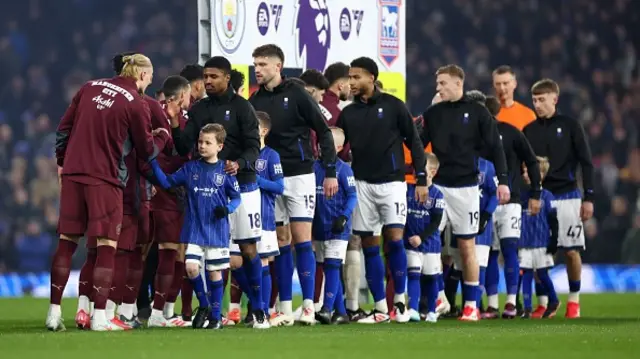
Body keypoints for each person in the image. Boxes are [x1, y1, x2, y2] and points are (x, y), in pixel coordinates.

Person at [51, 53, 176, 331]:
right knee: (108, 247)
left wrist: (64, 161)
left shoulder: (89, 86)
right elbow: (146, 152)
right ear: (143, 75)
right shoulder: (135, 102)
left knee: (67, 243)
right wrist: (163, 135)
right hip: (106, 179)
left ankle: (54, 313)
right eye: (150, 79)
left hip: (73, 173)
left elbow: (63, 129)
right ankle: (99, 317)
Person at [170, 56, 268, 325]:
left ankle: (257, 308)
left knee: (247, 250)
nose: (208, 81)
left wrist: (240, 163)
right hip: (207, 191)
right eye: (206, 77)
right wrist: (176, 122)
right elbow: (183, 147)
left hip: (243, 185)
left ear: (227, 77)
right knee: (211, 257)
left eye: (214, 76)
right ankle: (211, 309)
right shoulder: (200, 109)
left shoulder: (242, 107)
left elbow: (253, 146)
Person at [249, 44, 338, 326]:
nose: (257, 69)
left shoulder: (297, 94)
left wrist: (331, 172)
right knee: (280, 242)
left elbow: (323, 131)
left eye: (262, 64)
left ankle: (309, 306)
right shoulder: (255, 99)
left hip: (300, 175)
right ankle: (285, 308)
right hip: (270, 178)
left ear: (279, 66)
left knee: (302, 238)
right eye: (255, 64)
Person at [336, 56, 427, 324]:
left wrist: (421, 178)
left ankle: (399, 301)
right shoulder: (348, 113)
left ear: (371, 79)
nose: (350, 82)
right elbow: (339, 146)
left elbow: (415, 143)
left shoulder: (394, 107)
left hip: (393, 183)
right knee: (369, 244)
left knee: (395, 239)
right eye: (349, 77)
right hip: (362, 183)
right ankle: (379, 309)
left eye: (356, 77)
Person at [420, 64, 510, 322]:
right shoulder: (433, 113)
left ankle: (471, 305)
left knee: (466, 246)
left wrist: (503, 180)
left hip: (467, 189)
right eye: (437, 84)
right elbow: (417, 143)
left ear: (458, 83)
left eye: (442, 83)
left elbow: (496, 148)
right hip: (438, 187)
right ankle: (438, 296)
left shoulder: (478, 113)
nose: (438, 88)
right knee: (430, 242)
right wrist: (420, 176)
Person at [151, 123, 241, 330]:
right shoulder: (190, 168)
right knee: (191, 268)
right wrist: (153, 164)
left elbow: (236, 198)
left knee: (214, 274)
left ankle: (216, 317)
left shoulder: (226, 170)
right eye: (200, 142)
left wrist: (227, 209)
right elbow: (167, 183)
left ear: (219, 146)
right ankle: (204, 305)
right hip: (194, 230)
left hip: (216, 231)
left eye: (207, 142)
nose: (202, 146)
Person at [523, 79, 594, 319]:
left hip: (567, 195)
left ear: (555, 99)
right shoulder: (529, 130)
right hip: (540, 198)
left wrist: (588, 198)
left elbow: (586, 162)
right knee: (537, 253)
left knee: (571, 251)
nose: (537, 104)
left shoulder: (571, 126)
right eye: (534, 100)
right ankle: (543, 303)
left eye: (542, 99)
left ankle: (574, 300)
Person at [470, 91, 542, 319]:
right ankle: (497, 304)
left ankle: (508, 302)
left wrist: (536, 192)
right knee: (493, 252)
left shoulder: (510, 133)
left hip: (510, 201)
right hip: (487, 202)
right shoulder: (474, 137)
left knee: (503, 250)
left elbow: (531, 160)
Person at [146, 75, 194, 328]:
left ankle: (166, 311)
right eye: (188, 96)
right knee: (168, 251)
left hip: (174, 194)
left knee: (176, 253)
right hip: (165, 193)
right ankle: (156, 313)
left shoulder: (182, 120)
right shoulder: (158, 120)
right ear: (181, 96)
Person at [311, 127, 357, 325]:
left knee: (332, 265)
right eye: (321, 144)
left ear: (338, 148)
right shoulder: (313, 167)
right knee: (330, 268)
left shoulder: (344, 169)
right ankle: (341, 312)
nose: (322, 148)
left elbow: (353, 196)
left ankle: (327, 309)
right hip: (320, 227)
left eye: (328, 144)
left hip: (338, 227)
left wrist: (344, 218)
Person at [404, 153, 444, 323]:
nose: (416, 172)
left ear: (433, 172)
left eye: (422, 169)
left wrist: (421, 237)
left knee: (430, 277)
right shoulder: (408, 189)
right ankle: (413, 309)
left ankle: (432, 312)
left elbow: (436, 222)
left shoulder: (437, 194)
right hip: (411, 244)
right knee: (413, 274)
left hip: (430, 244)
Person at [520, 156, 560, 319]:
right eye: (524, 172)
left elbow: (553, 220)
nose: (525, 175)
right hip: (525, 242)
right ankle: (527, 308)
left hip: (542, 242)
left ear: (541, 175)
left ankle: (554, 300)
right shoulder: (522, 195)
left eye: (528, 172)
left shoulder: (548, 196)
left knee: (542, 274)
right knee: (526, 275)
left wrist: (554, 240)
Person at [492, 65, 537, 131]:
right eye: (498, 84)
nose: (502, 88)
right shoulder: (485, 115)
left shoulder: (528, 115)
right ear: (494, 86)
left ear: (514, 84)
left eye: (505, 83)